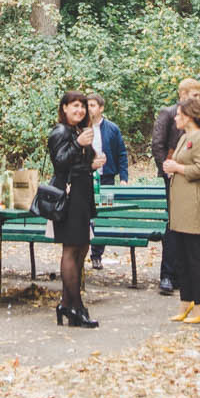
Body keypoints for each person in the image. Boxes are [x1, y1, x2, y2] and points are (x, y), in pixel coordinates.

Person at [47, 90, 103, 328]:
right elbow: (59, 162)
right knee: (71, 250)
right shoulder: (60, 132)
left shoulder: (80, 130)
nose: (80, 110)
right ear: (64, 109)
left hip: (82, 196)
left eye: (82, 107)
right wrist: (77, 144)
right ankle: (76, 307)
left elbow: (80, 164)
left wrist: (93, 164)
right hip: (68, 198)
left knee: (82, 248)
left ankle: (66, 303)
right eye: (75, 106)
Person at [162, 97, 200, 324]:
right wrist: (171, 168)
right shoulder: (184, 137)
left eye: (179, 114)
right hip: (180, 205)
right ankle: (186, 302)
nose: (175, 118)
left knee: (193, 255)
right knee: (181, 256)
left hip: (193, 205)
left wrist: (177, 168)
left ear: (189, 116)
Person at [150, 78, 200, 295]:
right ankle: (168, 274)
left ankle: (183, 273)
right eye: (195, 95)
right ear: (182, 95)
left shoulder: (199, 117)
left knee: (188, 225)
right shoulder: (168, 113)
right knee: (173, 224)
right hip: (172, 175)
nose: (198, 99)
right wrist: (167, 171)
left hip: (192, 176)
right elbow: (157, 144)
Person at [88, 94, 127, 270]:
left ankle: (97, 255)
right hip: (86, 178)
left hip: (106, 179)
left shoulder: (112, 129)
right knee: (85, 216)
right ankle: (82, 250)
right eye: (87, 105)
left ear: (101, 108)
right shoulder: (81, 129)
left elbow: (121, 154)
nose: (89, 109)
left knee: (103, 216)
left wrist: (124, 178)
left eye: (93, 105)